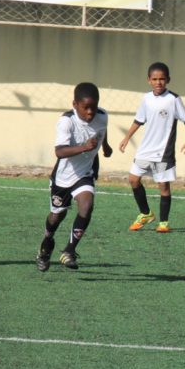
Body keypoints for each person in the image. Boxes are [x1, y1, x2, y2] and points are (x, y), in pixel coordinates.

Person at [36, 82, 112, 271]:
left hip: (84, 173)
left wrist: (105, 146)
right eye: (85, 108)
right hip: (62, 178)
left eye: (93, 107)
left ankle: (69, 250)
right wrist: (84, 147)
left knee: (87, 205)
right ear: (75, 104)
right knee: (56, 217)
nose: (90, 112)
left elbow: (102, 130)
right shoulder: (66, 121)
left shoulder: (102, 116)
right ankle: (46, 243)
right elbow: (59, 152)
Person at [119, 62, 185, 233]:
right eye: (155, 79)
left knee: (163, 186)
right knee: (133, 179)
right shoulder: (146, 98)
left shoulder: (173, 99)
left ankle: (164, 223)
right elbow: (139, 119)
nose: (158, 82)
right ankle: (145, 213)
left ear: (168, 80)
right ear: (148, 80)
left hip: (163, 152)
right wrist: (127, 137)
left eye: (162, 79)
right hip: (145, 149)